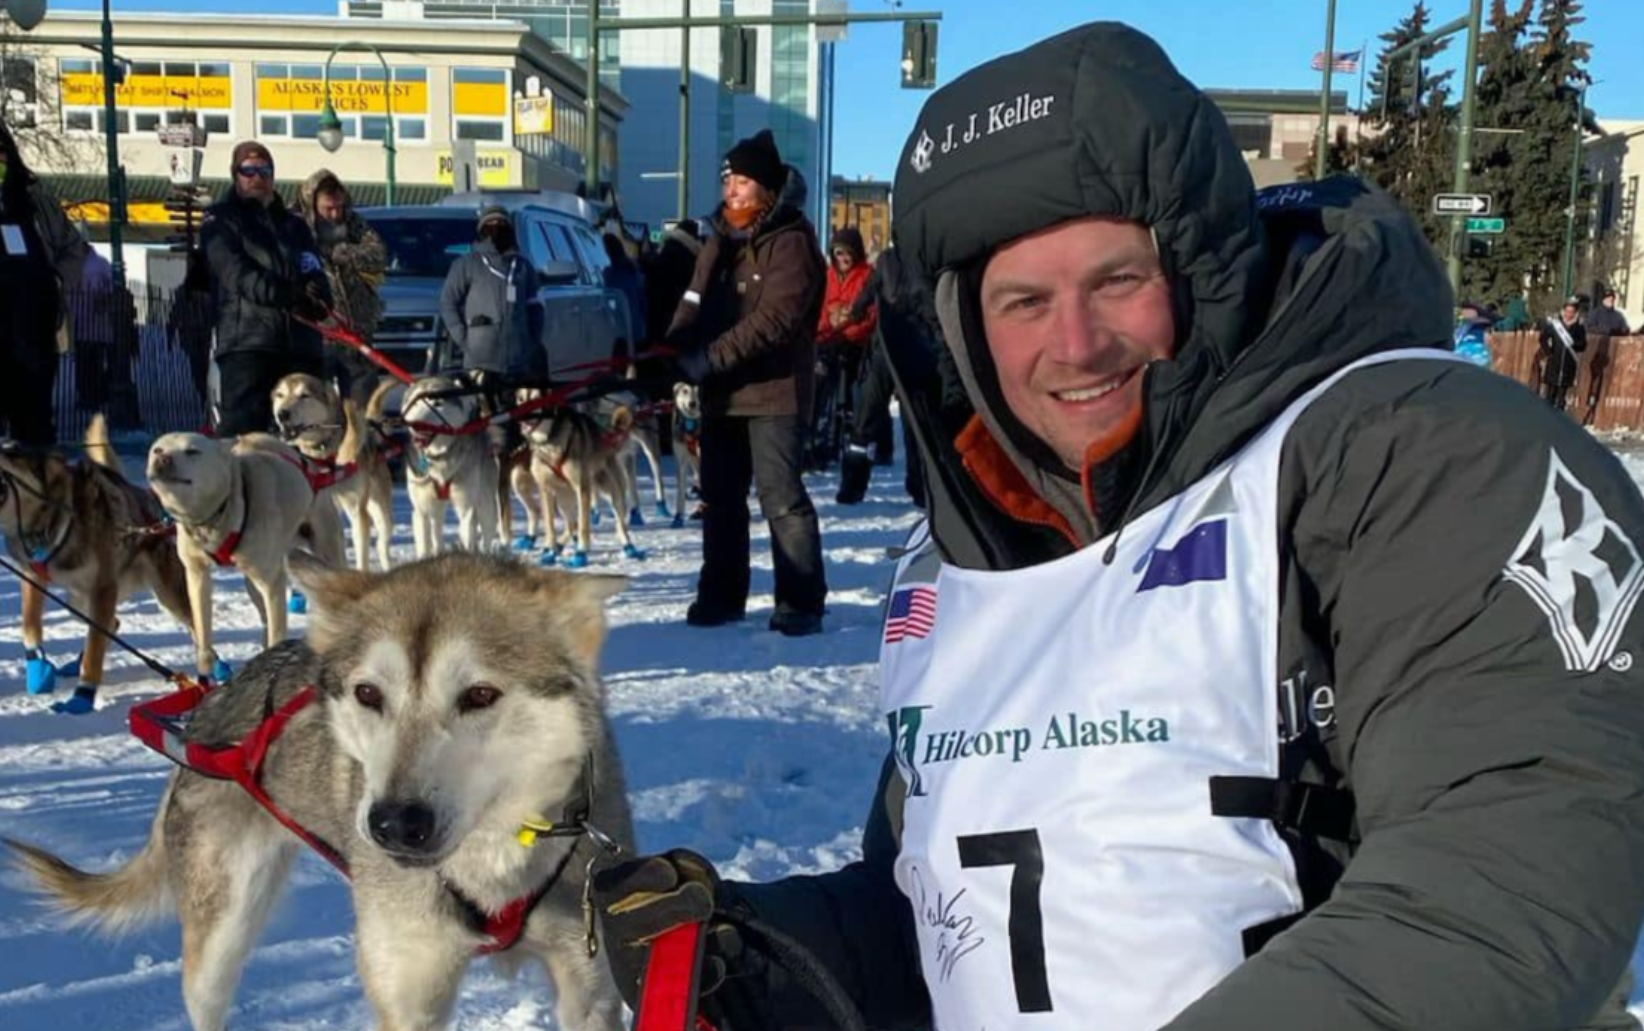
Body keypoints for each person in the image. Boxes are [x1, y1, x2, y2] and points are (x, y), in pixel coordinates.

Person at [592, 21, 1644, 1031]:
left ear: (1197, 268)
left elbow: (1509, 867)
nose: (1077, 343)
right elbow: (961, 912)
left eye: (1118, 280)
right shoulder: (967, 549)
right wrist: (759, 960)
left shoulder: (1410, 454)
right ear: (962, 328)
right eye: (1022, 302)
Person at [664, 129, 828, 637]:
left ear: (768, 189)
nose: (731, 190)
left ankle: (800, 600)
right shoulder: (718, 239)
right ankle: (721, 594)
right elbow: (693, 299)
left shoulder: (792, 241)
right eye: (728, 180)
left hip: (775, 393)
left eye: (742, 181)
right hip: (723, 394)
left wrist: (708, 359)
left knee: (781, 499)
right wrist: (674, 349)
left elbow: (773, 321)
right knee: (720, 501)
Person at [202, 140, 331, 437]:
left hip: (300, 343)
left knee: (312, 432)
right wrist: (284, 294)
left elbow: (312, 265)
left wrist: (318, 297)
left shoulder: (294, 224)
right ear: (235, 175)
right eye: (249, 171)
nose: (257, 178)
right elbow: (235, 272)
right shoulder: (221, 219)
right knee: (245, 436)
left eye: (265, 171)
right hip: (249, 342)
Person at [1, 118, 89, 445]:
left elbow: (74, 248)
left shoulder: (34, 200)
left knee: (34, 423)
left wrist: (57, 282)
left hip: (33, 326)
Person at [297, 169, 386, 406]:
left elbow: (378, 255)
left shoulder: (354, 223)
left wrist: (342, 252)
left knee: (363, 407)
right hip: (317, 335)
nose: (335, 214)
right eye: (328, 208)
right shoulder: (296, 227)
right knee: (315, 406)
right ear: (313, 204)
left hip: (356, 331)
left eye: (339, 207)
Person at [1581, 286, 1630, 425]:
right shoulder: (1596, 313)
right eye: (1608, 298)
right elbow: (1588, 327)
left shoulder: (1618, 315)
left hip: (1614, 353)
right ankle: (1588, 409)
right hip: (1596, 352)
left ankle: (1601, 410)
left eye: (1612, 298)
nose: (1611, 301)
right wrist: (1605, 330)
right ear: (1603, 299)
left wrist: (1621, 331)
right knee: (1593, 381)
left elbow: (1625, 328)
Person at [1536, 296, 1586, 411]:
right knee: (1549, 398)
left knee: (1561, 399)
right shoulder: (1555, 326)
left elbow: (1583, 345)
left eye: (1571, 312)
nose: (1569, 314)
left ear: (1575, 313)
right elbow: (1542, 338)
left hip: (1568, 367)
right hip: (1554, 364)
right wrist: (1549, 352)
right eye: (1567, 311)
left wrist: (1574, 344)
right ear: (1563, 311)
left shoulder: (1579, 328)